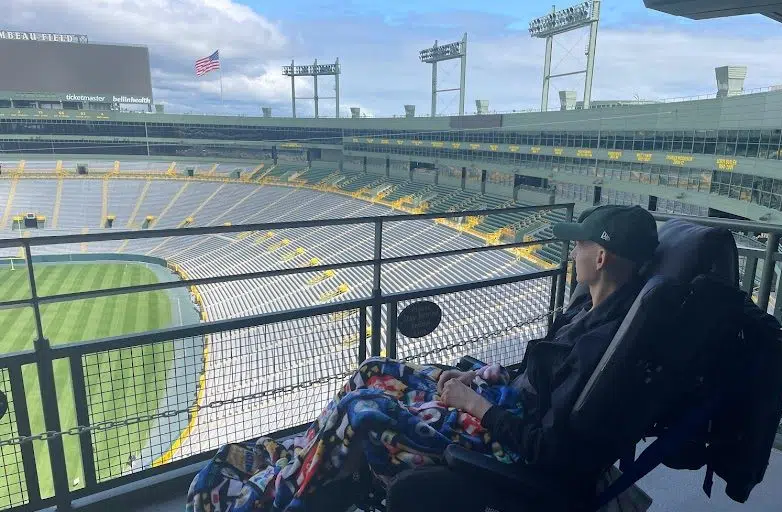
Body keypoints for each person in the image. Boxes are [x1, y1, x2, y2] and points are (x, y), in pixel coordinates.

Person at [186, 204, 659, 512]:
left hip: (503, 444)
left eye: (579, 243)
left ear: (601, 257)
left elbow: (550, 449)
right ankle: (311, 460)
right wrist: (479, 377)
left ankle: (280, 492)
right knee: (371, 369)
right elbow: (535, 376)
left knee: (360, 407)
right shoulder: (588, 308)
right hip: (497, 404)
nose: (571, 250)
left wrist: (472, 404)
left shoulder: (601, 345)